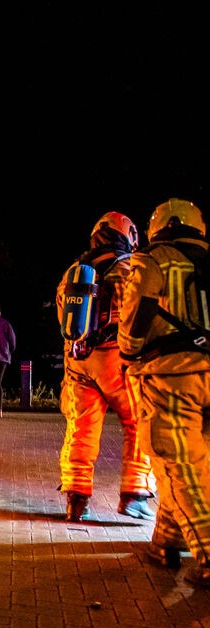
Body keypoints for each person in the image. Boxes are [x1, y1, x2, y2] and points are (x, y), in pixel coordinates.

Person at [119, 198, 210, 584]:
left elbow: (139, 308)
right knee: (193, 461)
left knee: (180, 464)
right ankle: (167, 540)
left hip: (172, 373)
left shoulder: (154, 258)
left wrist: (128, 350)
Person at [56, 212, 155, 522]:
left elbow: (65, 323)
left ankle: (76, 497)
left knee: (81, 428)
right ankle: (135, 494)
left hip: (79, 361)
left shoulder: (72, 275)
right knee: (140, 422)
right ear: (127, 236)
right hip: (118, 362)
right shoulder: (128, 268)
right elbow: (138, 315)